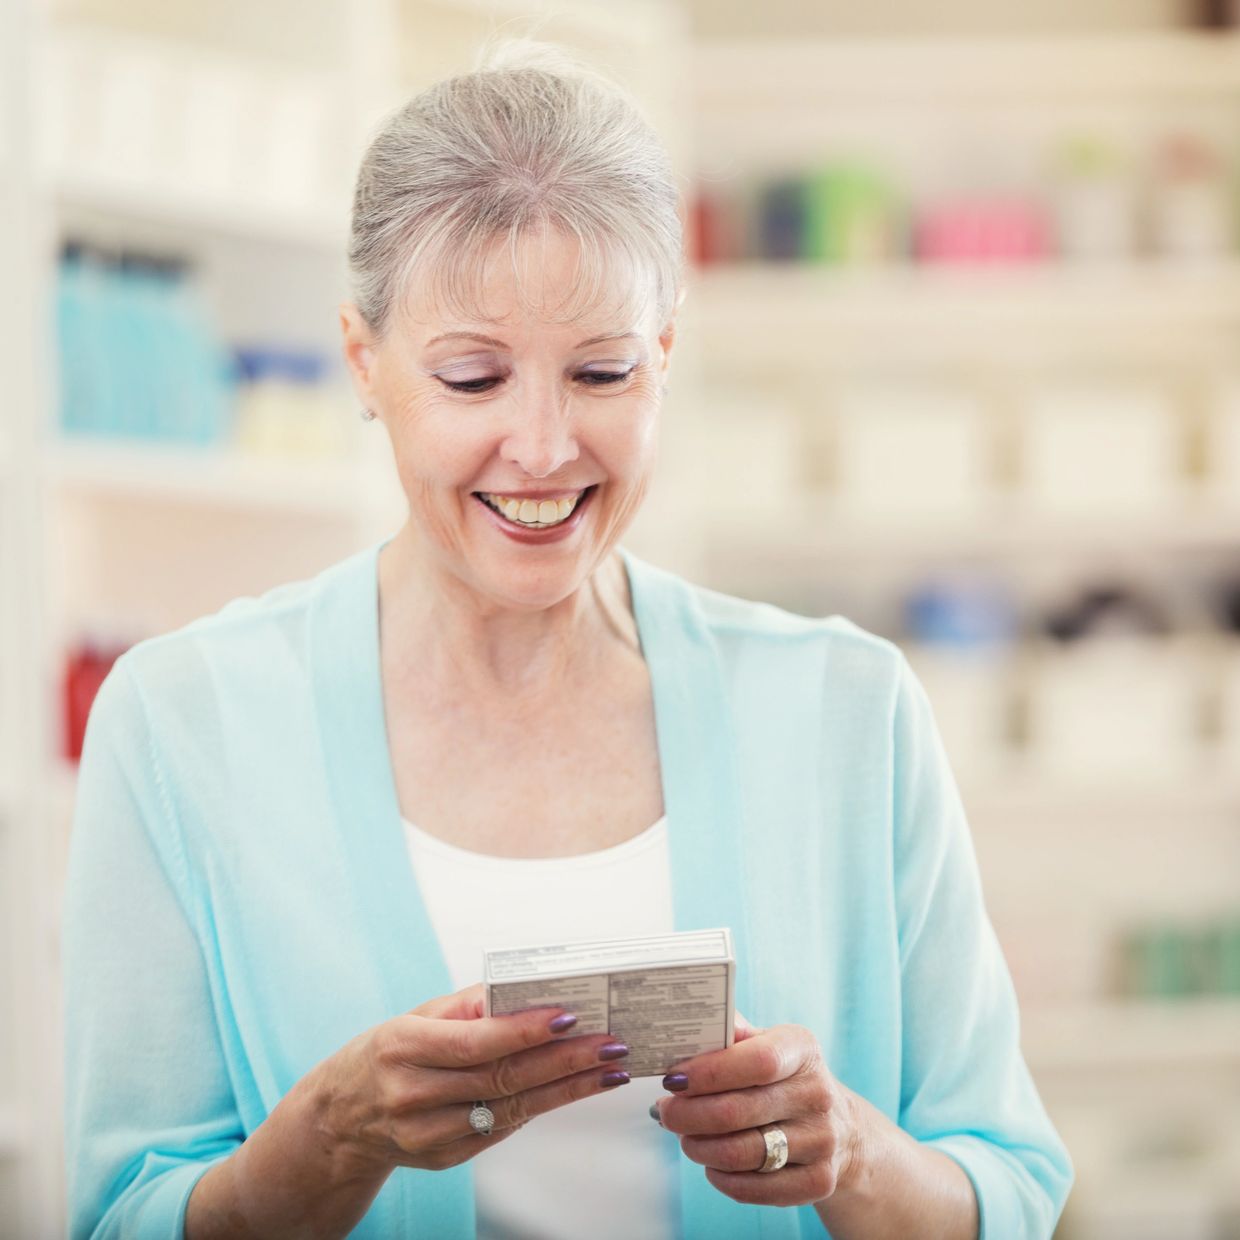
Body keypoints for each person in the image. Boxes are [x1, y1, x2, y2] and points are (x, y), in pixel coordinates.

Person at [62, 40, 1074, 1240]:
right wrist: (328, 1137)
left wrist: (851, 1152)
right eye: (474, 378)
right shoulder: (184, 722)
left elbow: (1004, 1189)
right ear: (362, 364)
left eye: (599, 371)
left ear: (666, 359)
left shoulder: (848, 710)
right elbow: (121, 1216)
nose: (542, 448)